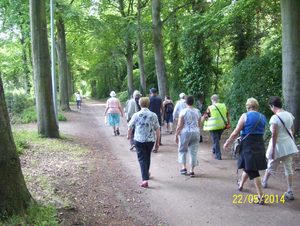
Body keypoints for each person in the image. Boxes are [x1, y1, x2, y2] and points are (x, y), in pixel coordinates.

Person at [223, 98, 267, 205]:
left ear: (247, 107)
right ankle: (241, 184)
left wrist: (228, 141)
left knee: (253, 169)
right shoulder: (263, 117)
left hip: (248, 144)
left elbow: (236, 132)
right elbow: (264, 132)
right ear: (257, 106)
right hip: (259, 144)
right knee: (248, 166)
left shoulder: (245, 116)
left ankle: (261, 197)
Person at [261, 96, 299, 200]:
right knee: (288, 168)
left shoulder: (275, 118)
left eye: (270, 107)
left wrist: (273, 150)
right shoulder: (290, 115)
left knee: (271, 165)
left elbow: (274, 135)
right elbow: (292, 130)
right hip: (289, 145)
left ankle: (264, 181)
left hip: (278, 145)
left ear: (273, 106)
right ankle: (290, 190)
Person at [127, 97, 161, 187]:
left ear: (140, 104)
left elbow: (130, 126)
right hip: (150, 140)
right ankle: (146, 172)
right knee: (147, 156)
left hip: (139, 140)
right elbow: (158, 130)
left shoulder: (136, 115)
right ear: (148, 104)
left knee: (142, 159)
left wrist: (128, 135)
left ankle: (145, 180)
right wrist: (157, 142)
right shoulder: (154, 115)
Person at [175, 95, 202, 178]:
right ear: (192, 102)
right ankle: (192, 171)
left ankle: (184, 168)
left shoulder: (183, 112)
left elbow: (180, 125)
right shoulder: (198, 112)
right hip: (195, 132)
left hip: (185, 132)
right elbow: (200, 124)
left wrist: (176, 134)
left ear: (186, 103)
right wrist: (197, 131)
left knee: (183, 150)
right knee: (193, 152)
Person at [203, 94, 230, 160]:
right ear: (218, 100)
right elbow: (227, 115)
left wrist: (201, 122)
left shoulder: (211, 107)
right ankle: (214, 149)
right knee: (217, 139)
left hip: (213, 126)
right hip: (222, 126)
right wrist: (228, 124)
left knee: (216, 140)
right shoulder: (223, 106)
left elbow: (205, 116)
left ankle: (218, 155)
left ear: (212, 100)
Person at [149, 88, 163, 152]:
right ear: (156, 93)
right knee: (158, 129)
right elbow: (162, 108)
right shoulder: (160, 99)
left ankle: (150, 142)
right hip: (158, 115)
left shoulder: (148, 99)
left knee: (150, 129)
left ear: (151, 93)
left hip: (150, 116)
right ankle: (159, 142)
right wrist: (161, 114)